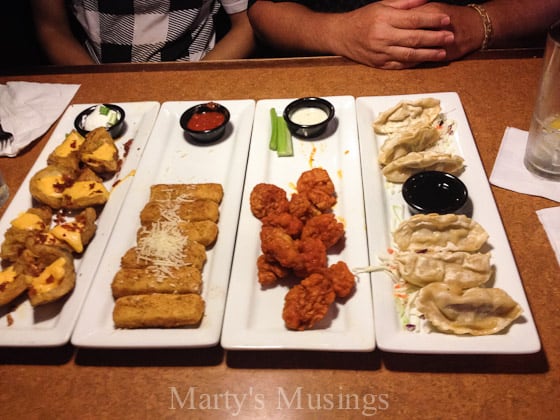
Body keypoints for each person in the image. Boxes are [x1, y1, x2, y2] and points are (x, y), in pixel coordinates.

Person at [247, 0, 560, 69]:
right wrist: (338, 31)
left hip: (484, 67)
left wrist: (481, 22)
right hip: (330, 75)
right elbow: (262, 12)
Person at [31, 0, 256, 65]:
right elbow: (52, 28)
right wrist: (99, 91)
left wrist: (195, 79)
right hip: (101, 75)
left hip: (198, 68)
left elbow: (246, 23)